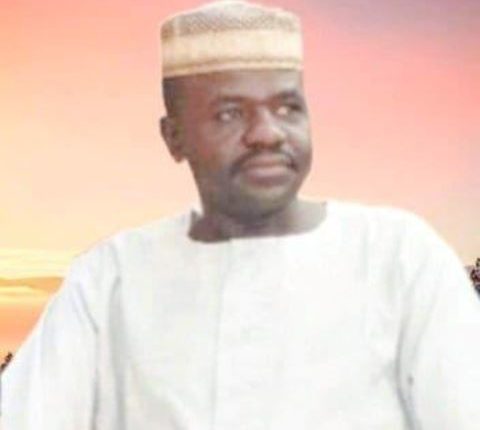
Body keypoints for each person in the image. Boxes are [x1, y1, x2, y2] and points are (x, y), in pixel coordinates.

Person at [1, 1, 480, 429]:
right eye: (230, 113)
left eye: (288, 107)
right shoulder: (109, 279)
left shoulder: (399, 256)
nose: (268, 133)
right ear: (174, 137)